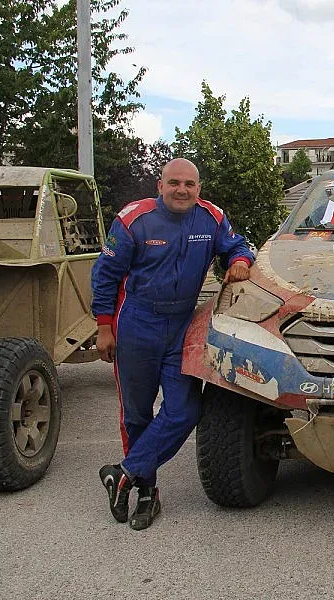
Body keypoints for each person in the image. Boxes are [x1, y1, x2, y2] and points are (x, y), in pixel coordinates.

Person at [91, 158, 254, 530]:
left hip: (183, 324)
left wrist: (240, 260)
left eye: (190, 185)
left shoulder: (210, 218)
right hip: (136, 323)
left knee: (184, 410)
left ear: (198, 188)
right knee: (136, 414)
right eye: (175, 183)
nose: (182, 190)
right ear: (160, 185)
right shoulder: (133, 219)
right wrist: (104, 327)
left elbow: (238, 245)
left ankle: (123, 474)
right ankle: (146, 495)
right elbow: (105, 275)